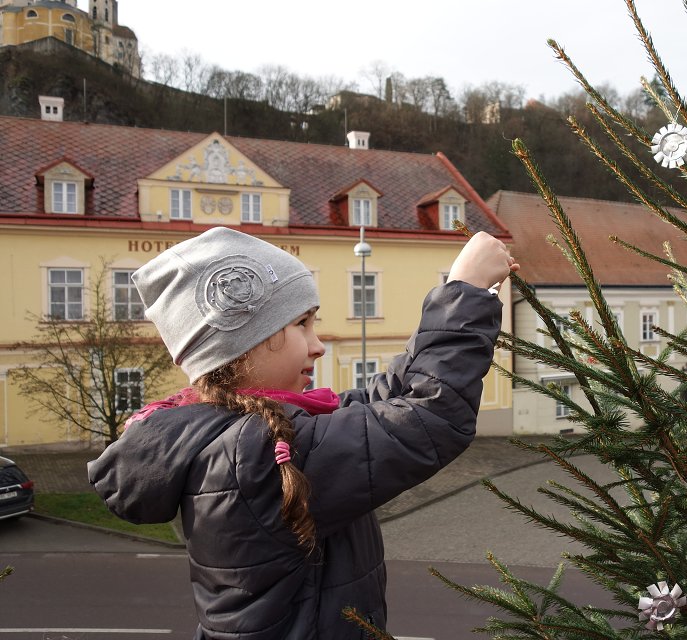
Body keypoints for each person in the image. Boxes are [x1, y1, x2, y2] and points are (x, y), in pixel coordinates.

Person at [88, 226, 517, 639]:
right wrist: (466, 290)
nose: (318, 344)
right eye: (302, 324)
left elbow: (377, 407)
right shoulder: (253, 454)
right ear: (244, 345)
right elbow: (429, 418)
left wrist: (445, 315)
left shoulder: (238, 433)